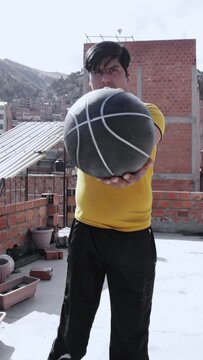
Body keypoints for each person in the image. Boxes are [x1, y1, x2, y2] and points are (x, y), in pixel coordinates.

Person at [48, 41, 165, 360]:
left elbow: (149, 136)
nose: (105, 79)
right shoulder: (81, 117)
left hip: (134, 238)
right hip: (86, 232)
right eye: (97, 73)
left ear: (128, 76)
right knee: (72, 326)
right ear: (89, 81)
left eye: (113, 70)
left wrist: (140, 166)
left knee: (131, 332)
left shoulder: (147, 113)